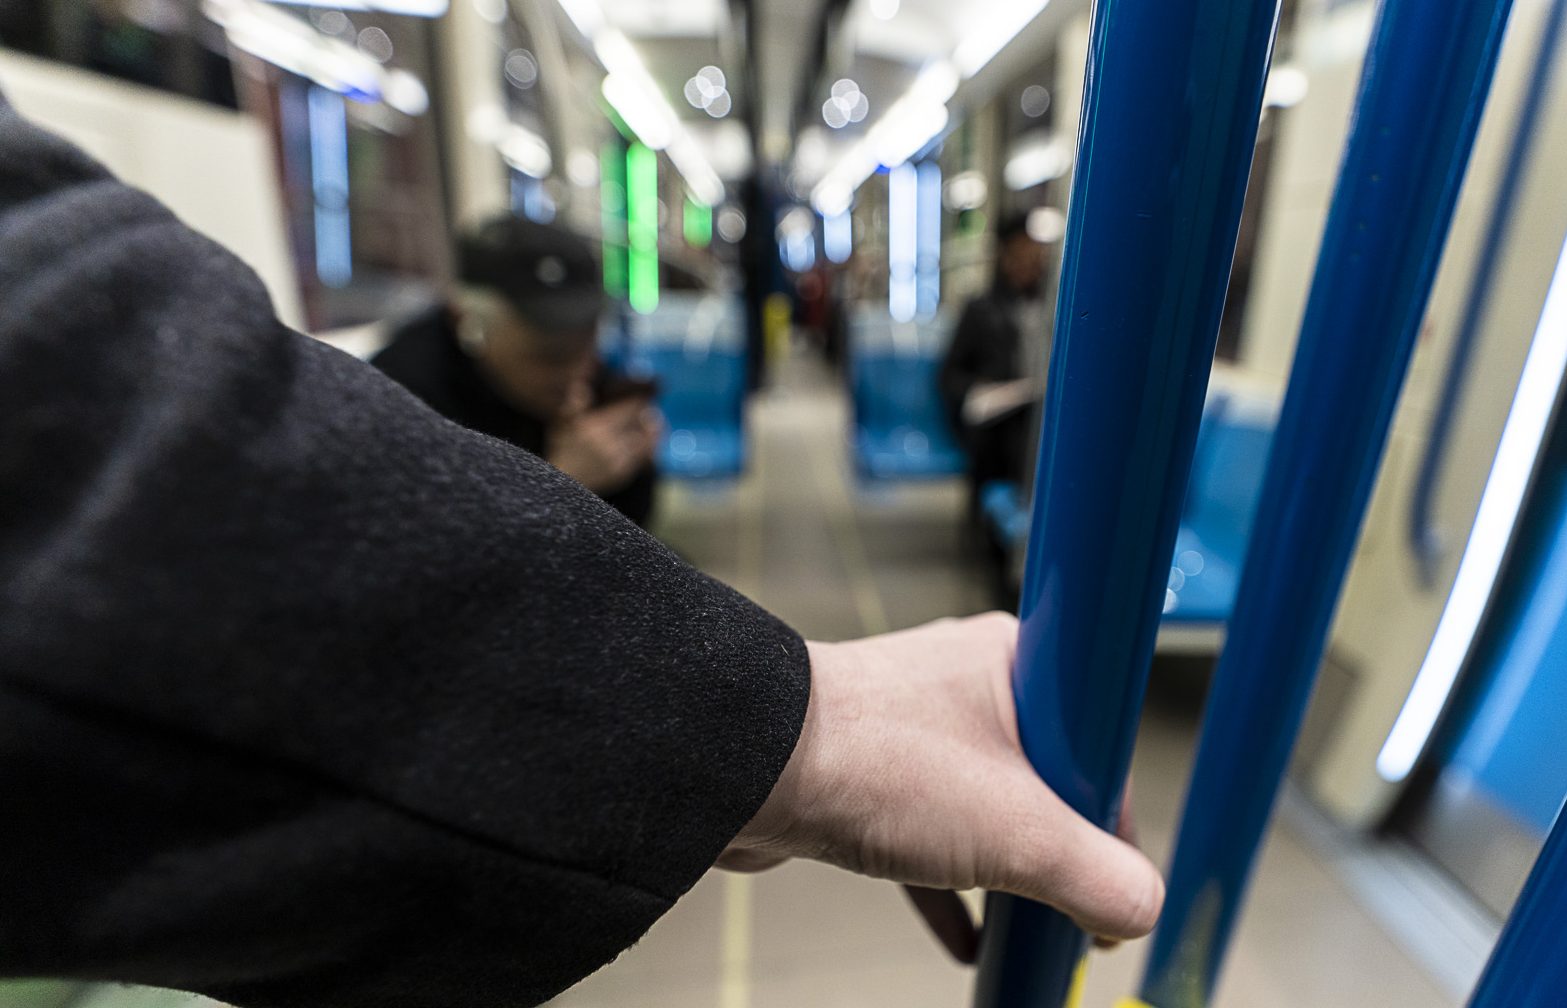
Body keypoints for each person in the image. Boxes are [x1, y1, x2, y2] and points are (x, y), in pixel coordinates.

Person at [0, 87, 1161, 1007]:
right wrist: (804, 733)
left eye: (580, 344)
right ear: (472, 323)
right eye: (539, 350)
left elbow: (623, 535)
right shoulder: (388, 393)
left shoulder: (596, 385)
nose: (568, 371)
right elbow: (206, 568)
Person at [373, 216, 661, 528]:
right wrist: (559, 487)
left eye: (588, 347)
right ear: (467, 323)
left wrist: (631, 463)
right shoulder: (400, 399)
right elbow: (425, 557)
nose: (577, 373)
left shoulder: (587, 373)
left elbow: (634, 534)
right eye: (551, 358)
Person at [938, 213, 1052, 512]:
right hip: (999, 421)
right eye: (1019, 256)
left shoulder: (1054, 309)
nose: (1027, 264)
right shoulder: (981, 311)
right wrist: (982, 389)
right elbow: (949, 376)